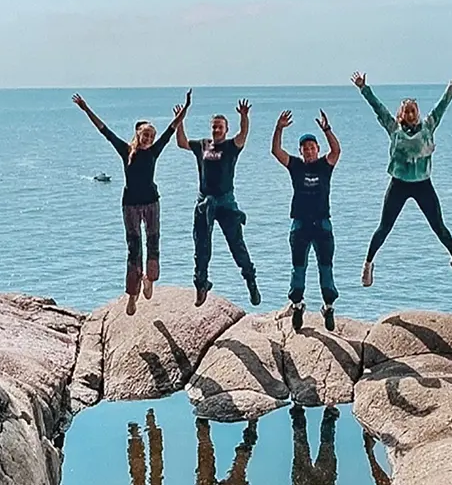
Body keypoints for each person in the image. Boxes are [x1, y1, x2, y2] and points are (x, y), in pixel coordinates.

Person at [73, 90, 191, 315]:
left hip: (152, 203)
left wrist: (185, 108)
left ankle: (150, 280)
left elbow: (172, 128)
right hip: (130, 205)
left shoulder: (155, 151)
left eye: (151, 136)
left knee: (153, 243)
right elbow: (104, 130)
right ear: (138, 135)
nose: (149, 139)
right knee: (134, 249)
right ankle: (132, 296)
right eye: (145, 135)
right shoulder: (126, 150)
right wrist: (86, 108)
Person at [351, 66, 452, 286]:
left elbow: (442, 105)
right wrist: (364, 88)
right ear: (401, 115)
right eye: (407, 111)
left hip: (423, 184)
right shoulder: (394, 128)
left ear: (418, 113)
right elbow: (379, 108)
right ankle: (367, 266)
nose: (411, 113)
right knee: (384, 227)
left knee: (438, 226)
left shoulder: (429, 126)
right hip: (399, 184)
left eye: (413, 110)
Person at [175, 99, 261, 308]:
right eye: (214, 126)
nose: (216, 130)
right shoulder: (202, 145)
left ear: (226, 129)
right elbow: (181, 142)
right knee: (201, 245)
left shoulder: (232, 146)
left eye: (220, 127)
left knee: (236, 244)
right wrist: (180, 122)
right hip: (204, 202)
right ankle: (201, 284)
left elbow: (243, 135)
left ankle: (250, 280)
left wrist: (244, 117)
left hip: (226, 202)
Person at [271, 109, 340, 332]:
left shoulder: (324, 166)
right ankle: (297, 304)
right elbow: (276, 151)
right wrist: (279, 128)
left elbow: (336, 150)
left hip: (322, 224)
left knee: (326, 268)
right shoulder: (296, 166)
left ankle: (328, 307)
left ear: (317, 150)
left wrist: (327, 130)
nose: (309, 151)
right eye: (305, 148)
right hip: (299, 224)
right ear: (301, 151)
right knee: (298, 269)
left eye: (312, 147)